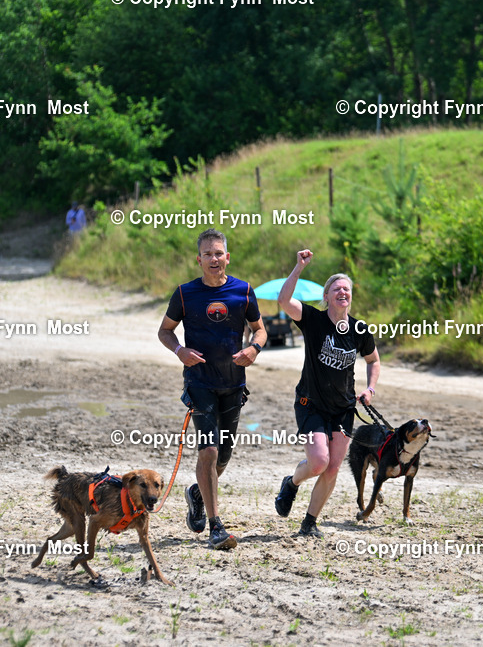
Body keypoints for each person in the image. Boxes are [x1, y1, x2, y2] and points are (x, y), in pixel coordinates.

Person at [157, 228, 267, 550]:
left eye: (219, 253)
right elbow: (165, 332)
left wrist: (254, 349)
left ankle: (197, 493)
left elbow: (259, 330)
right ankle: (216, 526)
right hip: (199, 383)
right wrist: (180, 351)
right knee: (209, 451)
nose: (214, 259)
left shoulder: (244, 292)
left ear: (227, 257)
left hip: (233, 384)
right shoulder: (184, 294)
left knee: (224, 456)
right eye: (208, 254)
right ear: (199, 259)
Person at [274, 249, 380, 538]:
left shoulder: (359, 329)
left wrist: (369, 389)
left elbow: (373, 361)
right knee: (318, 462)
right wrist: (298, 267)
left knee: (332, 468)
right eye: (336, 288)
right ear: (327, 296)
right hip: (310, 404)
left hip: (343, 407)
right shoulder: (313, 320)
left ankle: (309, 523)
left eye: (346, 288)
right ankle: (292, 483)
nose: (342, 292)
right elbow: (283, 301)